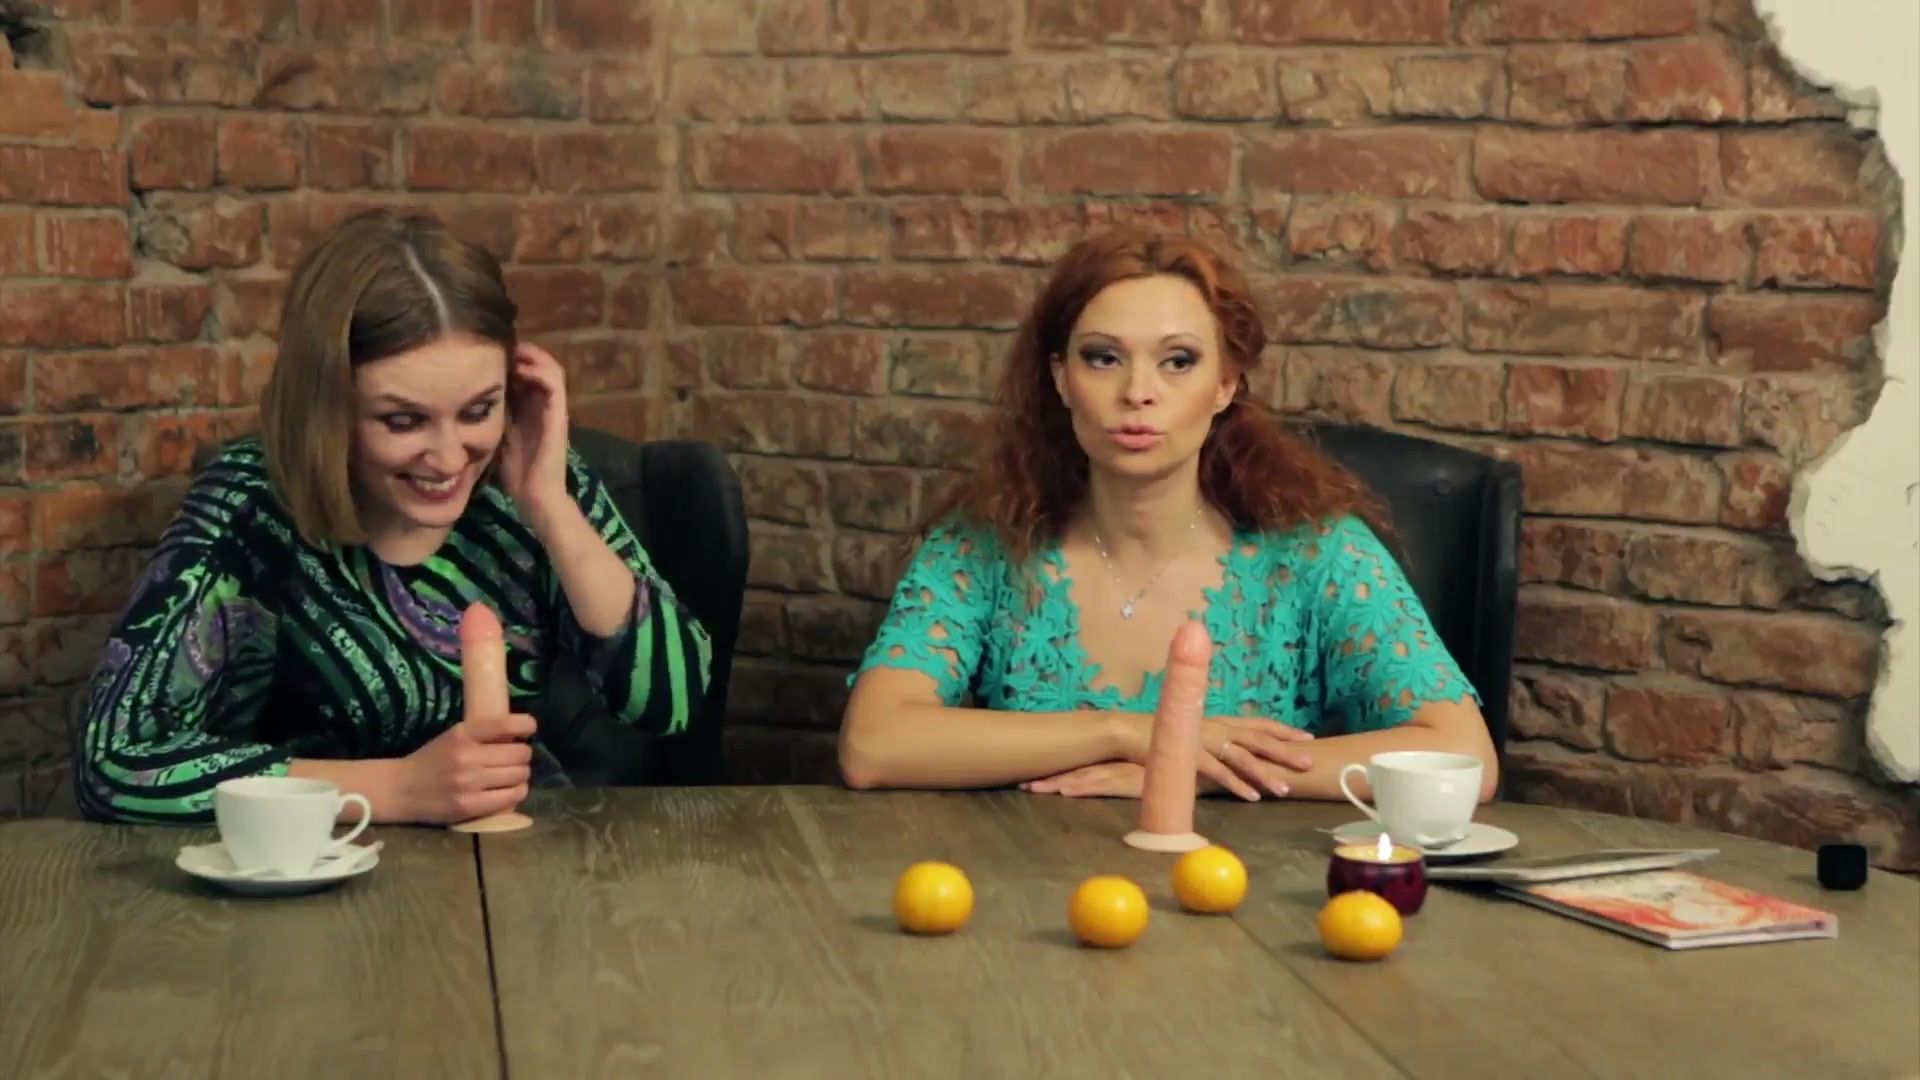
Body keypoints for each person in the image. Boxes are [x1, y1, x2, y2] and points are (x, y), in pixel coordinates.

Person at [74, 209, 711, 825]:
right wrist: (398, 789)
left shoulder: (531, 471)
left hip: (512, 860)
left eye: (478, 410)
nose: (449, 458)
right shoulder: (249, 502)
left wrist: (550, 506)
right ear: (328, 407)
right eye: (403, 420)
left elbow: (674, 702)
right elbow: (113, 763)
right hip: (304, 868)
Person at [838, 230, 1497, 803]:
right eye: (1103, 358)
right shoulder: (985, 545)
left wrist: (1195, 771)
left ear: (1225, 383)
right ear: (1062, 378)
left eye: (1178, 361)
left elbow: (1465, 757)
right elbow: (873, 744)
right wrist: (1128, 733)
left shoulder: (1317, 553)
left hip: (1247, 891)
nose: (1138, 392)